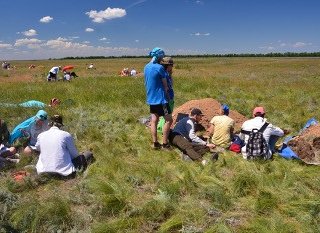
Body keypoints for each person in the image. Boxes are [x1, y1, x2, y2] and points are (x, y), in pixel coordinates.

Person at [144, 47, 173, 149]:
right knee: (169, 120)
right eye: (162, 57)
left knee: (154, 120)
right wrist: (168, 97)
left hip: (151, 98)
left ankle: (155, 143)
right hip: (161, 99)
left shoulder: (146, 66)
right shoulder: (159, 68)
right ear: (159, 56)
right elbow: (165, 86)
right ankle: (165, 144)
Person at [157, 57, 175, 133]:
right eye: (171, 65)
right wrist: (168, 98)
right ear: (168, 65)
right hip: (166, 99)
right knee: (166, 116)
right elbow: (165, 88)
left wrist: (170, 73)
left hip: (169, 97)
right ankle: (161, 130)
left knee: (167, 115)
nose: (172, 67)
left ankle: (162, 129)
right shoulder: (163, 74)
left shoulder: (167, 73)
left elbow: (171, 84)